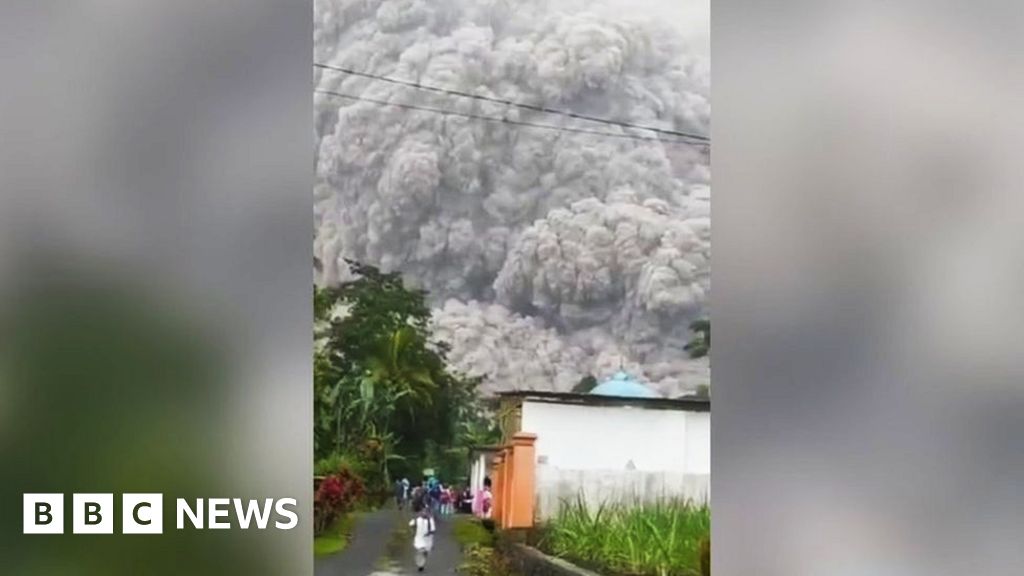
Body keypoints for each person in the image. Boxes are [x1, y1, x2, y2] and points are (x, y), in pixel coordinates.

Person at [409, 499, 436, 572]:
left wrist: (430, 536)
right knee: (420, 551)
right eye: (423, 511)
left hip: (428, 539)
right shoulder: (417, 519)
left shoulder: (430, 520)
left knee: (425, 552)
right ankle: (420, 564)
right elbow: (411, 524)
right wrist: (413, 531)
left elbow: (433, 530)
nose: (424, 513)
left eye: (426, 512)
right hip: (419, 537)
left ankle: (422, 563)